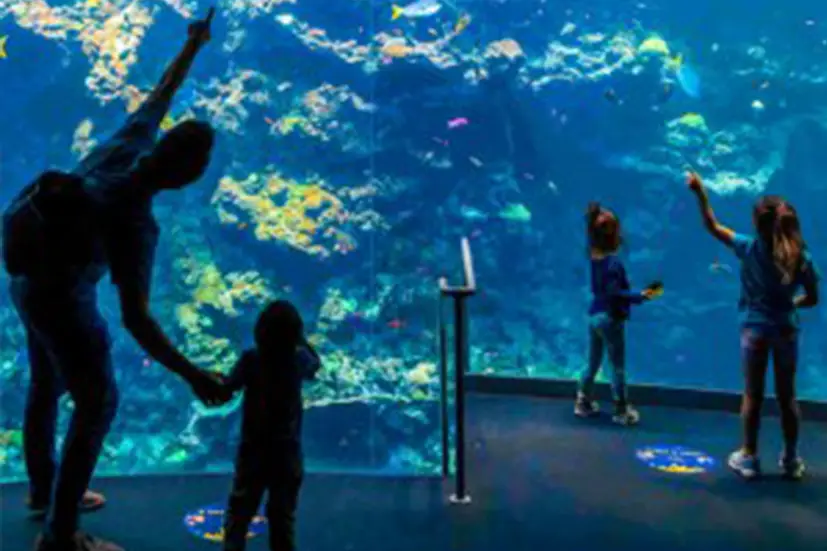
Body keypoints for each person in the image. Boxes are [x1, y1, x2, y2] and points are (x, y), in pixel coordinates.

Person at [4, 9, 229, 551]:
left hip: (25, 281)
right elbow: (136, 319)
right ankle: (60, 536)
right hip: (63, 298)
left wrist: (193, 45)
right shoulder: (135, 224)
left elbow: (158, 98)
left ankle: (45, 491)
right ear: (188, 177)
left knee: (45, 386)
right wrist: (192, 373)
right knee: (97, 400)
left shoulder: (126, 145)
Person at [687, 172, 820, 480]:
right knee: (788, 397)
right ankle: (790, 459)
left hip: (754, 331)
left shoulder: (748, 248)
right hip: (786, 330)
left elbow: (712, 226)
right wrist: (789, 305)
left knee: (753, 395)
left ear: (757, 226)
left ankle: (749, 456)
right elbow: (812, 298)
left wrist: (700, 192)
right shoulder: (802, 259)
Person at [218, 300, 321, 551]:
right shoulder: (298, 360)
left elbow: (229, 387)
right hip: (287, 451)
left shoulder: (251, 359)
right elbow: (315, 364)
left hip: (253, 449)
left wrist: (212, 381)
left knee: (239, 513)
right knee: (282, 517)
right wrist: (301, 340)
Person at [575, 202, 659, 425]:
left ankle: (582, 401)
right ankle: (622, 410)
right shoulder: (614, 263)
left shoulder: (595, 256)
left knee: (592, 362)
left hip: (594, 314)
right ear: (615, 234)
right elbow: (614, 294)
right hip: (609, 318)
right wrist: (639, 296)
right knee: (617, 365)